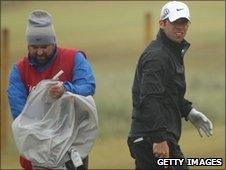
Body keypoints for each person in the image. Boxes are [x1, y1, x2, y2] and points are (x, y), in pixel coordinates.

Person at [127, 1, 213, 169]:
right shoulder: (157, 56)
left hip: (156, 137)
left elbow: (168, 94)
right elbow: (150, 99)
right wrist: (159, 139)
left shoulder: (171, 52)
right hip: (151, 139)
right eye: (174, 22)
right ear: (162, 23)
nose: (180, 27)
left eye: (183, 22)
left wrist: (189, 111)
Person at [7, 10, 95, 170]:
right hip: (35, 154)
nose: (39, 52)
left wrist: (66, 89)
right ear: (27, 44)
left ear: (54, 42)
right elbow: (20, 115)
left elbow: (88, 87)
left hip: (71, 153)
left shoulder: (74, 58)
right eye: (34, 47)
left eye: (44, 46)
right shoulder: (19, 71)